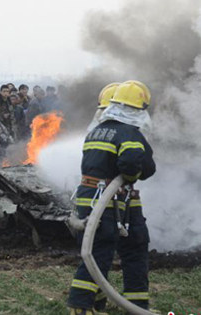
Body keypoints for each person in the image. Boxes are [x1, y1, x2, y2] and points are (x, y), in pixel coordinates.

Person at [67, 81, 156, 314]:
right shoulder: (129, 133)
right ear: (138, 109)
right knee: (104, 252)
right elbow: (137, 165)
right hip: (108, 200)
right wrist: (131, 174)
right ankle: (81, 306)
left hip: (97, 198)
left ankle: (122, 305)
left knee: (106, 250)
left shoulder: (97, 130)